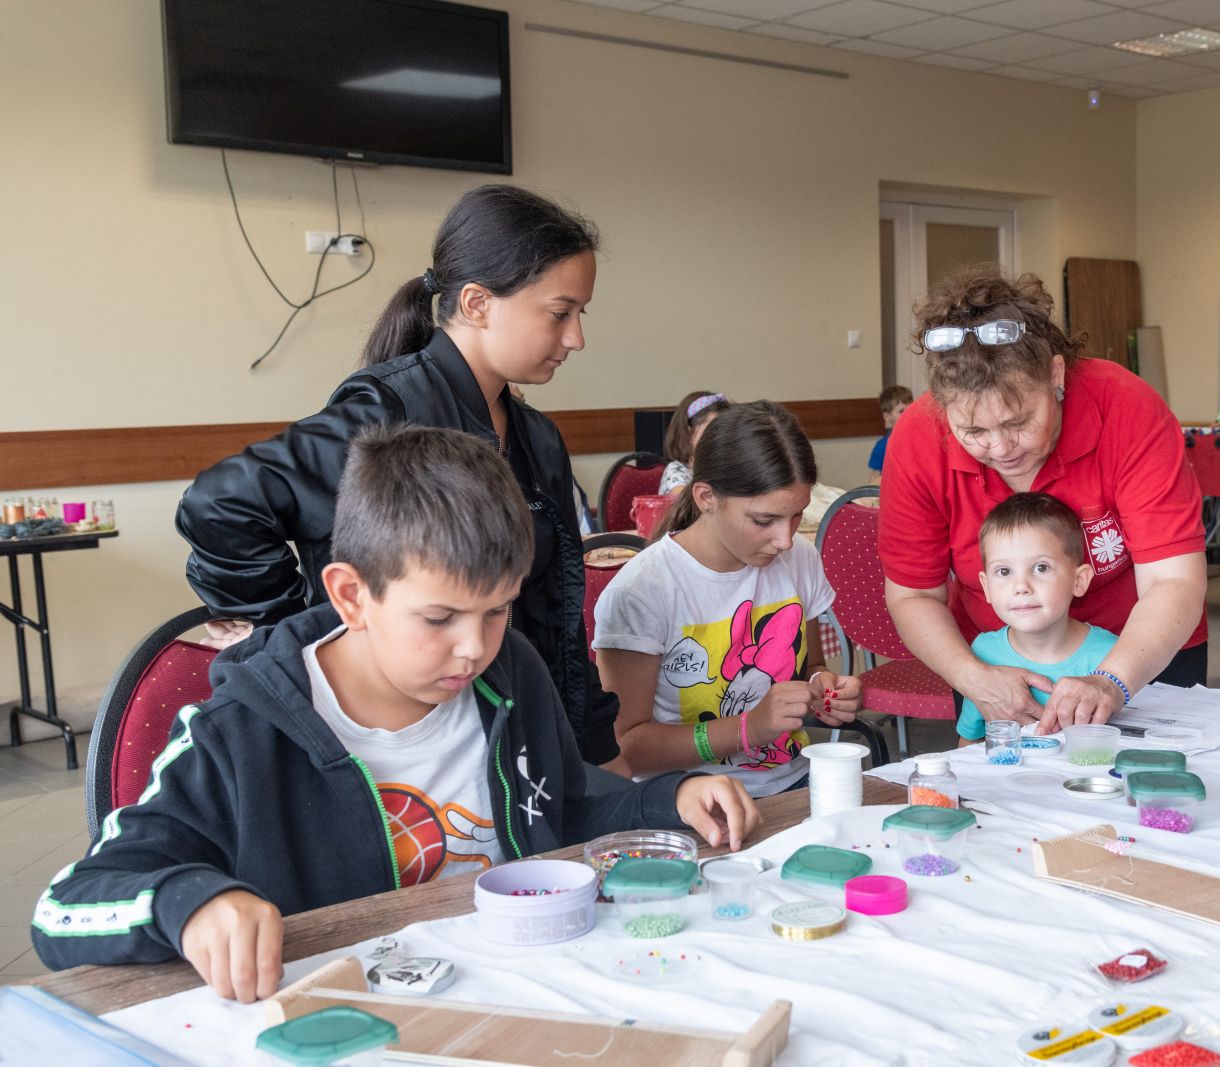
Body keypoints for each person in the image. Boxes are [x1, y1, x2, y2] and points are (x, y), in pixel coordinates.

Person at [32, 426, 759, 999]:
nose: (473, 648)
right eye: (439, 617)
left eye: (498, 609)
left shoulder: (511, 673)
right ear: (351, 596)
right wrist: (188, 902)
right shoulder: (240, 731)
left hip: (523, 995)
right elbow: (63, 910)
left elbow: (564, 806)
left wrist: (667, 797)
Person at [175, 185, 621, 767]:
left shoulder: (538, 439)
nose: (576, 339)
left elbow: (554, 612)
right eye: (560, 314)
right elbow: (219, 505)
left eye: (580, 315)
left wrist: (589, 746)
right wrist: (296, 634)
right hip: (394, 740)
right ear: (478, 303)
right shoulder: (383, 415)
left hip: (502, 730)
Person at [879, 268, 1207, 733]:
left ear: (1055, 374)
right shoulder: (917, 438)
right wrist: (976, 678)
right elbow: (914, 594)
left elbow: (1173, 581)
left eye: (1017, 422)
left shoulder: (1125, 407)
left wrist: (1112, 679)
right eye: (973, 431)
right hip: (1001, 664)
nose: (1000, 447)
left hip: (1146, 648)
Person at [594, 401, 862, 797]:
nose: (785, 540)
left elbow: (809, 665)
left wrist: (823, 688)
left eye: (796, 516)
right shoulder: (643, 590)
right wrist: (746, 729)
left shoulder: (797, 558)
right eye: (763, 520)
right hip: (691, 800)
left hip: (794, 783)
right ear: (705, 497)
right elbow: (627, 749)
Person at [955, 493, 1116, 745]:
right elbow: (968, 743)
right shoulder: (983, 652)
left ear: (1079, 580)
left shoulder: (1112, 657)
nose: (1021, 586)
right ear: (986, 588)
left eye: (1041, 567)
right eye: (1004, 571)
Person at [659, 391, 730, 495]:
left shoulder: (724, 469)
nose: (720, 438)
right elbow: (688, 508)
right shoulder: (675, 471)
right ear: (687, 432)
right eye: (711, 431)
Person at [868, 385, 913, 483]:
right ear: (887, 416)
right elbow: (874, 480)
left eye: (911, 408)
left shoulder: (920, 440)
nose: (908, 414)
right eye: (901, 411)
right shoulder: (883, 446)